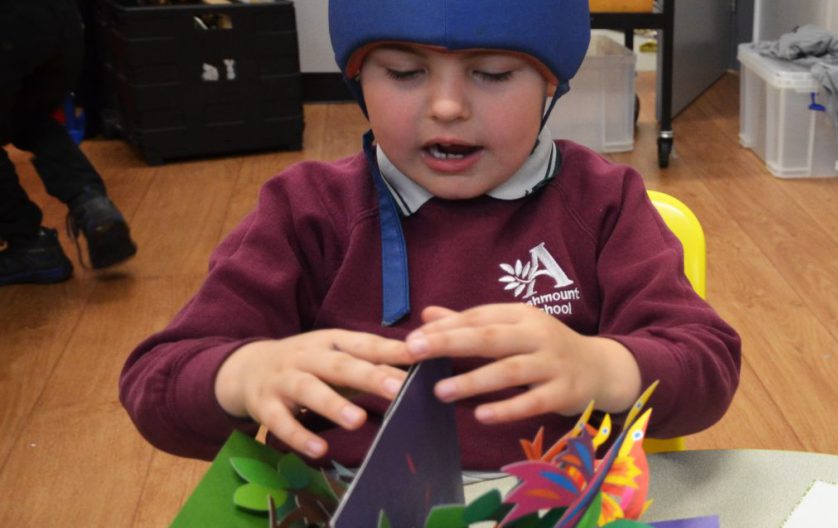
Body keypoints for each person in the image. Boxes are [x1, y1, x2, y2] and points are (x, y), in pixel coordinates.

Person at [120, 0, 741, 471]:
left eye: (493, 74)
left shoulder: (603, 204)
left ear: (552, 83)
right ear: (356, 76)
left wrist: (602, 365)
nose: (446, 106)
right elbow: (157, 383)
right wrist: (245, 372)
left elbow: (707, 364)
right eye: (404, 71)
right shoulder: (305, 210)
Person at [1, 0, 136, 286]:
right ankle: (91, 204)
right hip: (61, 20)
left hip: (9, 28)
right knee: (27, 117)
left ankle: (29, 245)